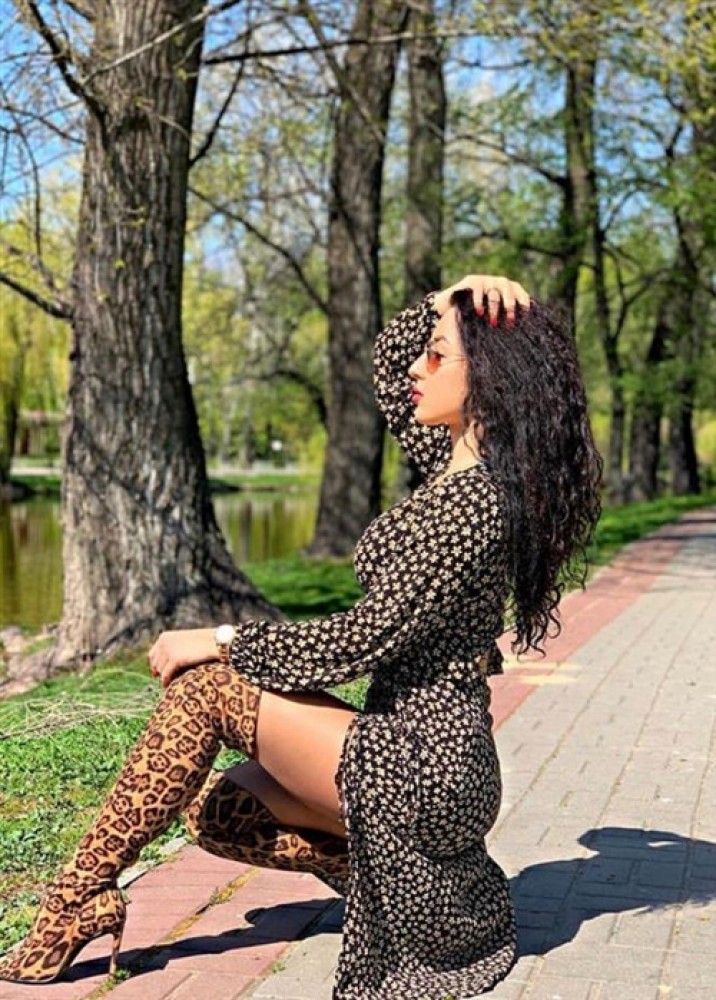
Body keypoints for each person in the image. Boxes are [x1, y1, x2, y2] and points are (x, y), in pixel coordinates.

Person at [0, 274, 602, 999]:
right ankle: (397, 888)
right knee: (217, 813)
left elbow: (362, 640)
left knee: (207, 690)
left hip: (425, 760)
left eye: (439, 354)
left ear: (492, 378)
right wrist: (448, 298)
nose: (420, 365)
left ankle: (73, 901)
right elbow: (391, 364)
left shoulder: (474, 506)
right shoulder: (455, 465)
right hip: (410, 748)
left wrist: (221, 639)